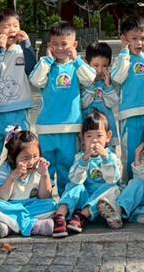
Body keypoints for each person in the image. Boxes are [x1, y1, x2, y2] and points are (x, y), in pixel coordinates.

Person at [30, 21, 96, 192]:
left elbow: (90, 78)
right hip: (46, 127)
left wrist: (77, 59)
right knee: (45, 168)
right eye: (55, 44)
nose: (59, 48)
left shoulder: (76, 66)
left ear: (74, 45)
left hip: (70, 127)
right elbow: (35, 80)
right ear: (49, 45)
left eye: (64, 44)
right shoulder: (47, 65)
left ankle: (66, 201)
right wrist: (46, 60)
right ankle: (46, 200)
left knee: (67, 168)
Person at [52, 110, 123, 237]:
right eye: (89, 136)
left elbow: (112, 180)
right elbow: (75, 179)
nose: (94, 140)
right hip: (85, 198)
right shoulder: (80, 157)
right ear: (82, 138)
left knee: (112, 188)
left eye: (99, 136)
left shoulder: (111, 157)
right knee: (73, 185)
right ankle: (60, 217)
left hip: (100, 206)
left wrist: (105, 159)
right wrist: (84, 160)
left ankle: (82, 216)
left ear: (108, 136)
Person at [0, 8, 37, 154]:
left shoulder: (22, 51)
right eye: (6, 26)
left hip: (20, 108)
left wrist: (27, 45)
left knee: (21, 147)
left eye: (16, 25)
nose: (12, 30)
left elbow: (33, 70)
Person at [111, 15, 144, 178]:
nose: (139, 43)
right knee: (131, 152)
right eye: (134, 38)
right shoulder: (122, 59)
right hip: (130, 114)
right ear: (124, 39)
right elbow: (118, 77)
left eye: (142, 38)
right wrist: (124, 53)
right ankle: (129, 183)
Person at [0, 129, 56, 238]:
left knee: (52, 205)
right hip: (11, 207)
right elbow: (1, 197)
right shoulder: (5, 169)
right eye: (25, 158)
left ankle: (11, 226)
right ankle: (34, 226)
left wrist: (44, 175)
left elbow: (45, 196)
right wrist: (12, 177)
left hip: (32, 206)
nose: (31, 162)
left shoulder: (39, 168)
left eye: (35, 156)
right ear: (13, 157)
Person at [81, 42, 120, 151]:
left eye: (104, 66)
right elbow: (83, 104)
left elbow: (112, 103)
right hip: (89, 130)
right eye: (96, 65)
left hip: (106, 128)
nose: (100, 70)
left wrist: (108, 86)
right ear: (87, 64)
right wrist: (90, 86)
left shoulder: (109, 83)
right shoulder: (83, 82)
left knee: (108, 155)